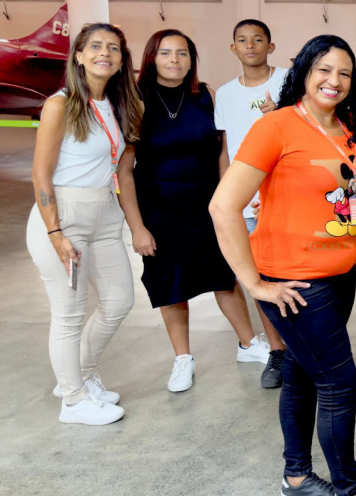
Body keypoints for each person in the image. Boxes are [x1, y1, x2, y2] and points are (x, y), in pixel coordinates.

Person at [210, 35, 356, 496]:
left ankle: (296, 476)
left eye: (344, 73)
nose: (334, 80)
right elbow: (223, 207)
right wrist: (254, 283)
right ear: (303, 72)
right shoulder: (276, 126)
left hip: (340, 274)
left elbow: (350, 191)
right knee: (339, 383)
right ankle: (349, 488)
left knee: (303, 375)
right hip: (296, 281)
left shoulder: (345, 128)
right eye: (324, 69)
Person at [119, 29, 267, 394]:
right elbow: (124, 171)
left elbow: (221, 153)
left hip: (208, 206)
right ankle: (183, 358)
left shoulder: (205, 95)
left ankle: (249, 343)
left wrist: (229, 201)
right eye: (166, 53)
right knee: (171, 285)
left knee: (225, 276)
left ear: (192, 60)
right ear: (151, 58)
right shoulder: (137, 101)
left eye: (182, 53)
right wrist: (137, 227)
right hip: (161, 210)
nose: (175, 59)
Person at [28, 23, 142, 426]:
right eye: (95, 46)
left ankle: (82, 375)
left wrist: (136, 225)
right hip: (65, 217)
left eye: (113, 47)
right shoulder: (60, 105)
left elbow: (123, 171)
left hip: (105, 215)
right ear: (78, 56)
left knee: (119, 300)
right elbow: (40, 175)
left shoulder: (122, 106)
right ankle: (73, 400)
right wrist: (55, 233)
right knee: (69, 313)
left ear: (122, 60)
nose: (104, 53)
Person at [213, 18, 289, 388]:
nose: (250, 45)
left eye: (258, 39)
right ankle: (277, 351)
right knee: (258, 279)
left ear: (270, 46)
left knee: (294, 275)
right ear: (233, 48)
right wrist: (231, 195)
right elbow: (226, 150)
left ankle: (303, 349)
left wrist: (280, 114)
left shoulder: (289, 80)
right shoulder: (226, 94)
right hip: (247, 202)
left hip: (286, 195)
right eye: (242, 40)